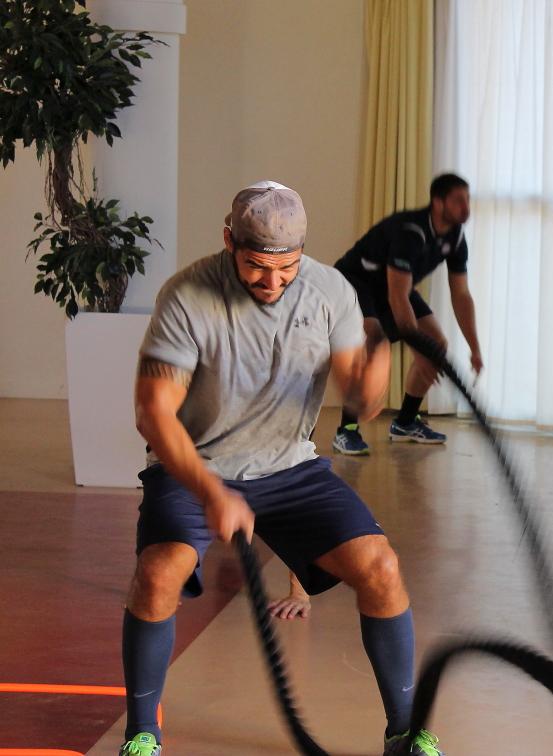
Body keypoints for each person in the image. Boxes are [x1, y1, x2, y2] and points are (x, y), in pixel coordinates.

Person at [119, 181, 444, 756]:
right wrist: (211, 492)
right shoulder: (188, 295)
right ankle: (142, 733)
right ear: (229, 241)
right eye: (256, 268)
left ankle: (405, 732)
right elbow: (153, 414)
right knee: (159, 572)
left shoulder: (329, 291)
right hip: (196, 464)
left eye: (285, 269)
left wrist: (370, 385)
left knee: (382, 568)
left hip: (290, 468)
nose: (272, 284)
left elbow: (357, 395)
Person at [331, 173, 483, 455]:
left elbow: (461, 295)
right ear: (438, 203)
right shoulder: (411, 232)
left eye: (468, 199)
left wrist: (474, 348)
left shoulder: (456, 238)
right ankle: (346, 430)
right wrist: (417, 349)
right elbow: (397, 297)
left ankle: (404, 422)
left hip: (394, 284)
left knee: (437, 344)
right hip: (357, 280)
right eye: (458, 200)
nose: (466, 207)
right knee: (372, 340)